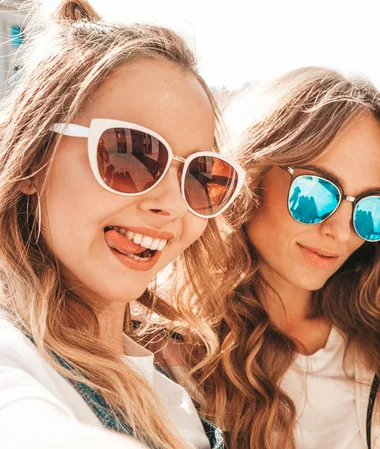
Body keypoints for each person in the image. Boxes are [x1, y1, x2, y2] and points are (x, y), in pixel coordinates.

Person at [170, 67, 380, 449]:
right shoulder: (180, 353)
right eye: (316, 192)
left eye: (371, 209)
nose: (341, 230)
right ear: (253, 173)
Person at [0, 1, 244, 448]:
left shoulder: (180, 375)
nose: (172, 205)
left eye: (201, 175)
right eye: (128, 154)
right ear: (35, 160)